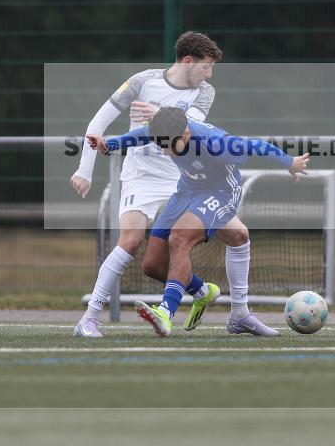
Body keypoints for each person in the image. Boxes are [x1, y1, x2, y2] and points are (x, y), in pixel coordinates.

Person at [88, 107, 311, 337]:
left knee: (179, 237)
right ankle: (215, 300)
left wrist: (289, 162)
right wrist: (110, 144)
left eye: (171, 146)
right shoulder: (166, 132)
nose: (167, 153)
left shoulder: (216, 143)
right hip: (187, 189)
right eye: (162, 146)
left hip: (221, 191)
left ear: (185, 134)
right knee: (152, 264)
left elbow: (256, 145)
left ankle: (166, 312)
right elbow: (142, 134)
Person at [71, 32, 229, 338]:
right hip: (140, 177)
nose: (209, 74)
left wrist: (156, 115)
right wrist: (84, 170)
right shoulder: (142, 81)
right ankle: (89, 319)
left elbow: (188, 127)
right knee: (129, 241)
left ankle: (233, 309)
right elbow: (97, 124)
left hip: (180, 181)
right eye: (206, 67)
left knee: (157, 263)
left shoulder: (204, 92)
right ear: (187, 61)